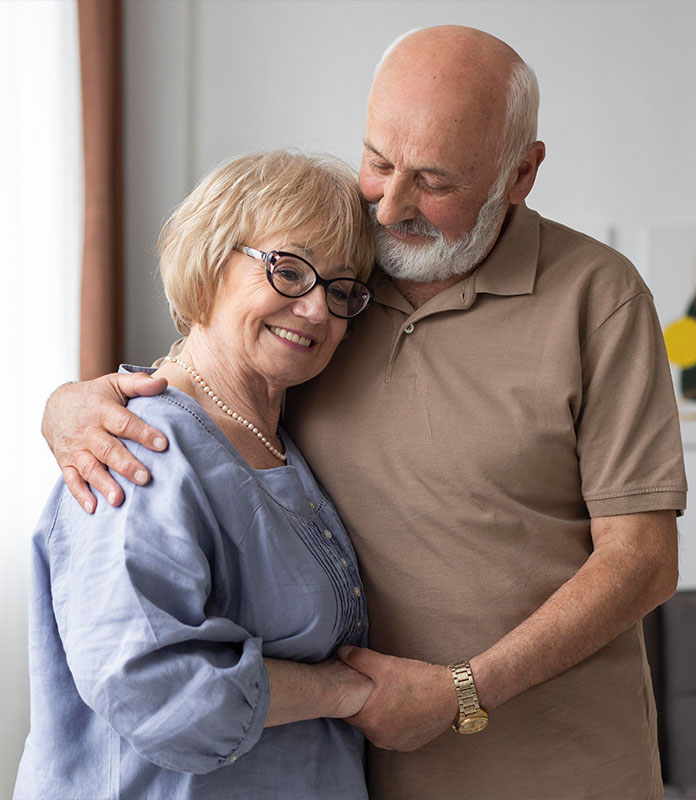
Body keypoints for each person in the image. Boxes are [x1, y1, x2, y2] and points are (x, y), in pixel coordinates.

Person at [41, 26, 685, 800]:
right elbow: (218, 354)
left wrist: (462, 691)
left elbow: (642, 562)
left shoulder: (600, 299)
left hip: (554, 765)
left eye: (437, 180)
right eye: (379, 162)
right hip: (358, 770)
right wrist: (71, 402)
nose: (393, 205)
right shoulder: (340, 266)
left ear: (521, 173)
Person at [15, 150, 378, 800]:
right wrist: (349, 692)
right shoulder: (137, 446)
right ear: (210, 259)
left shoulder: (282, 438)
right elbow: (158, 692)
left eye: (341, 289)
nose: (319, 309)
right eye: (288, 270)